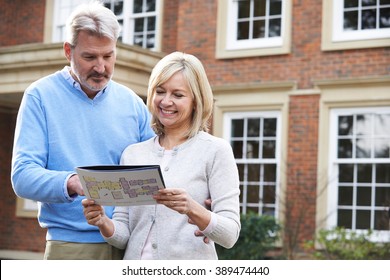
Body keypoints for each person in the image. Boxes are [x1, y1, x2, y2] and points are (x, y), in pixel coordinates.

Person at [11, 2, 155, 259]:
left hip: (131, 243)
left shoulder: (132, 102)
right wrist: (74, 183)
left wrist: (196, 197)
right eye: (90, 57)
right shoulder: (40, 96)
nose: (100, 67)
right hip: (71, 245)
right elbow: (22, 177)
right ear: (68, 51)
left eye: (108, 56)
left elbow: (158, 166)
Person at [82, 51, 241, 259]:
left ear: (196, 100)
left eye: (178, 95)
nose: (166, 102)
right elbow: (123, 235)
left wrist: (192, 208)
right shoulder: (133, 154)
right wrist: (103, 221)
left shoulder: (215, 151)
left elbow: (230, 235)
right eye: (160, 91)